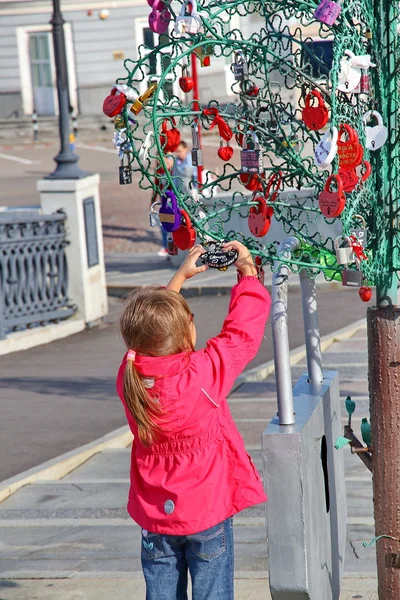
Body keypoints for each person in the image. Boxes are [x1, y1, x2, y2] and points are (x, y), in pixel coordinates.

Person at [117, 241, 271, 600]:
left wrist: (177, 279)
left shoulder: (130, 377)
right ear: (187, 331)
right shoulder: (202, 375)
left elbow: (148, 337)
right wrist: (247, 271)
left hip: (155, 517)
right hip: (206, 510)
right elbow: (241, 334)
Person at [151, 155, 174, 257]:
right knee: (163, 225)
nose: (166, 165)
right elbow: (155, 188)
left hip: (172, 202)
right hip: (164, 202)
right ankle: (166, 246)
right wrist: (152, 203)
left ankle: (169, 246)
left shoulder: (174, 172)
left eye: (168, 163)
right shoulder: (159, 172)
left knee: (168, 225)